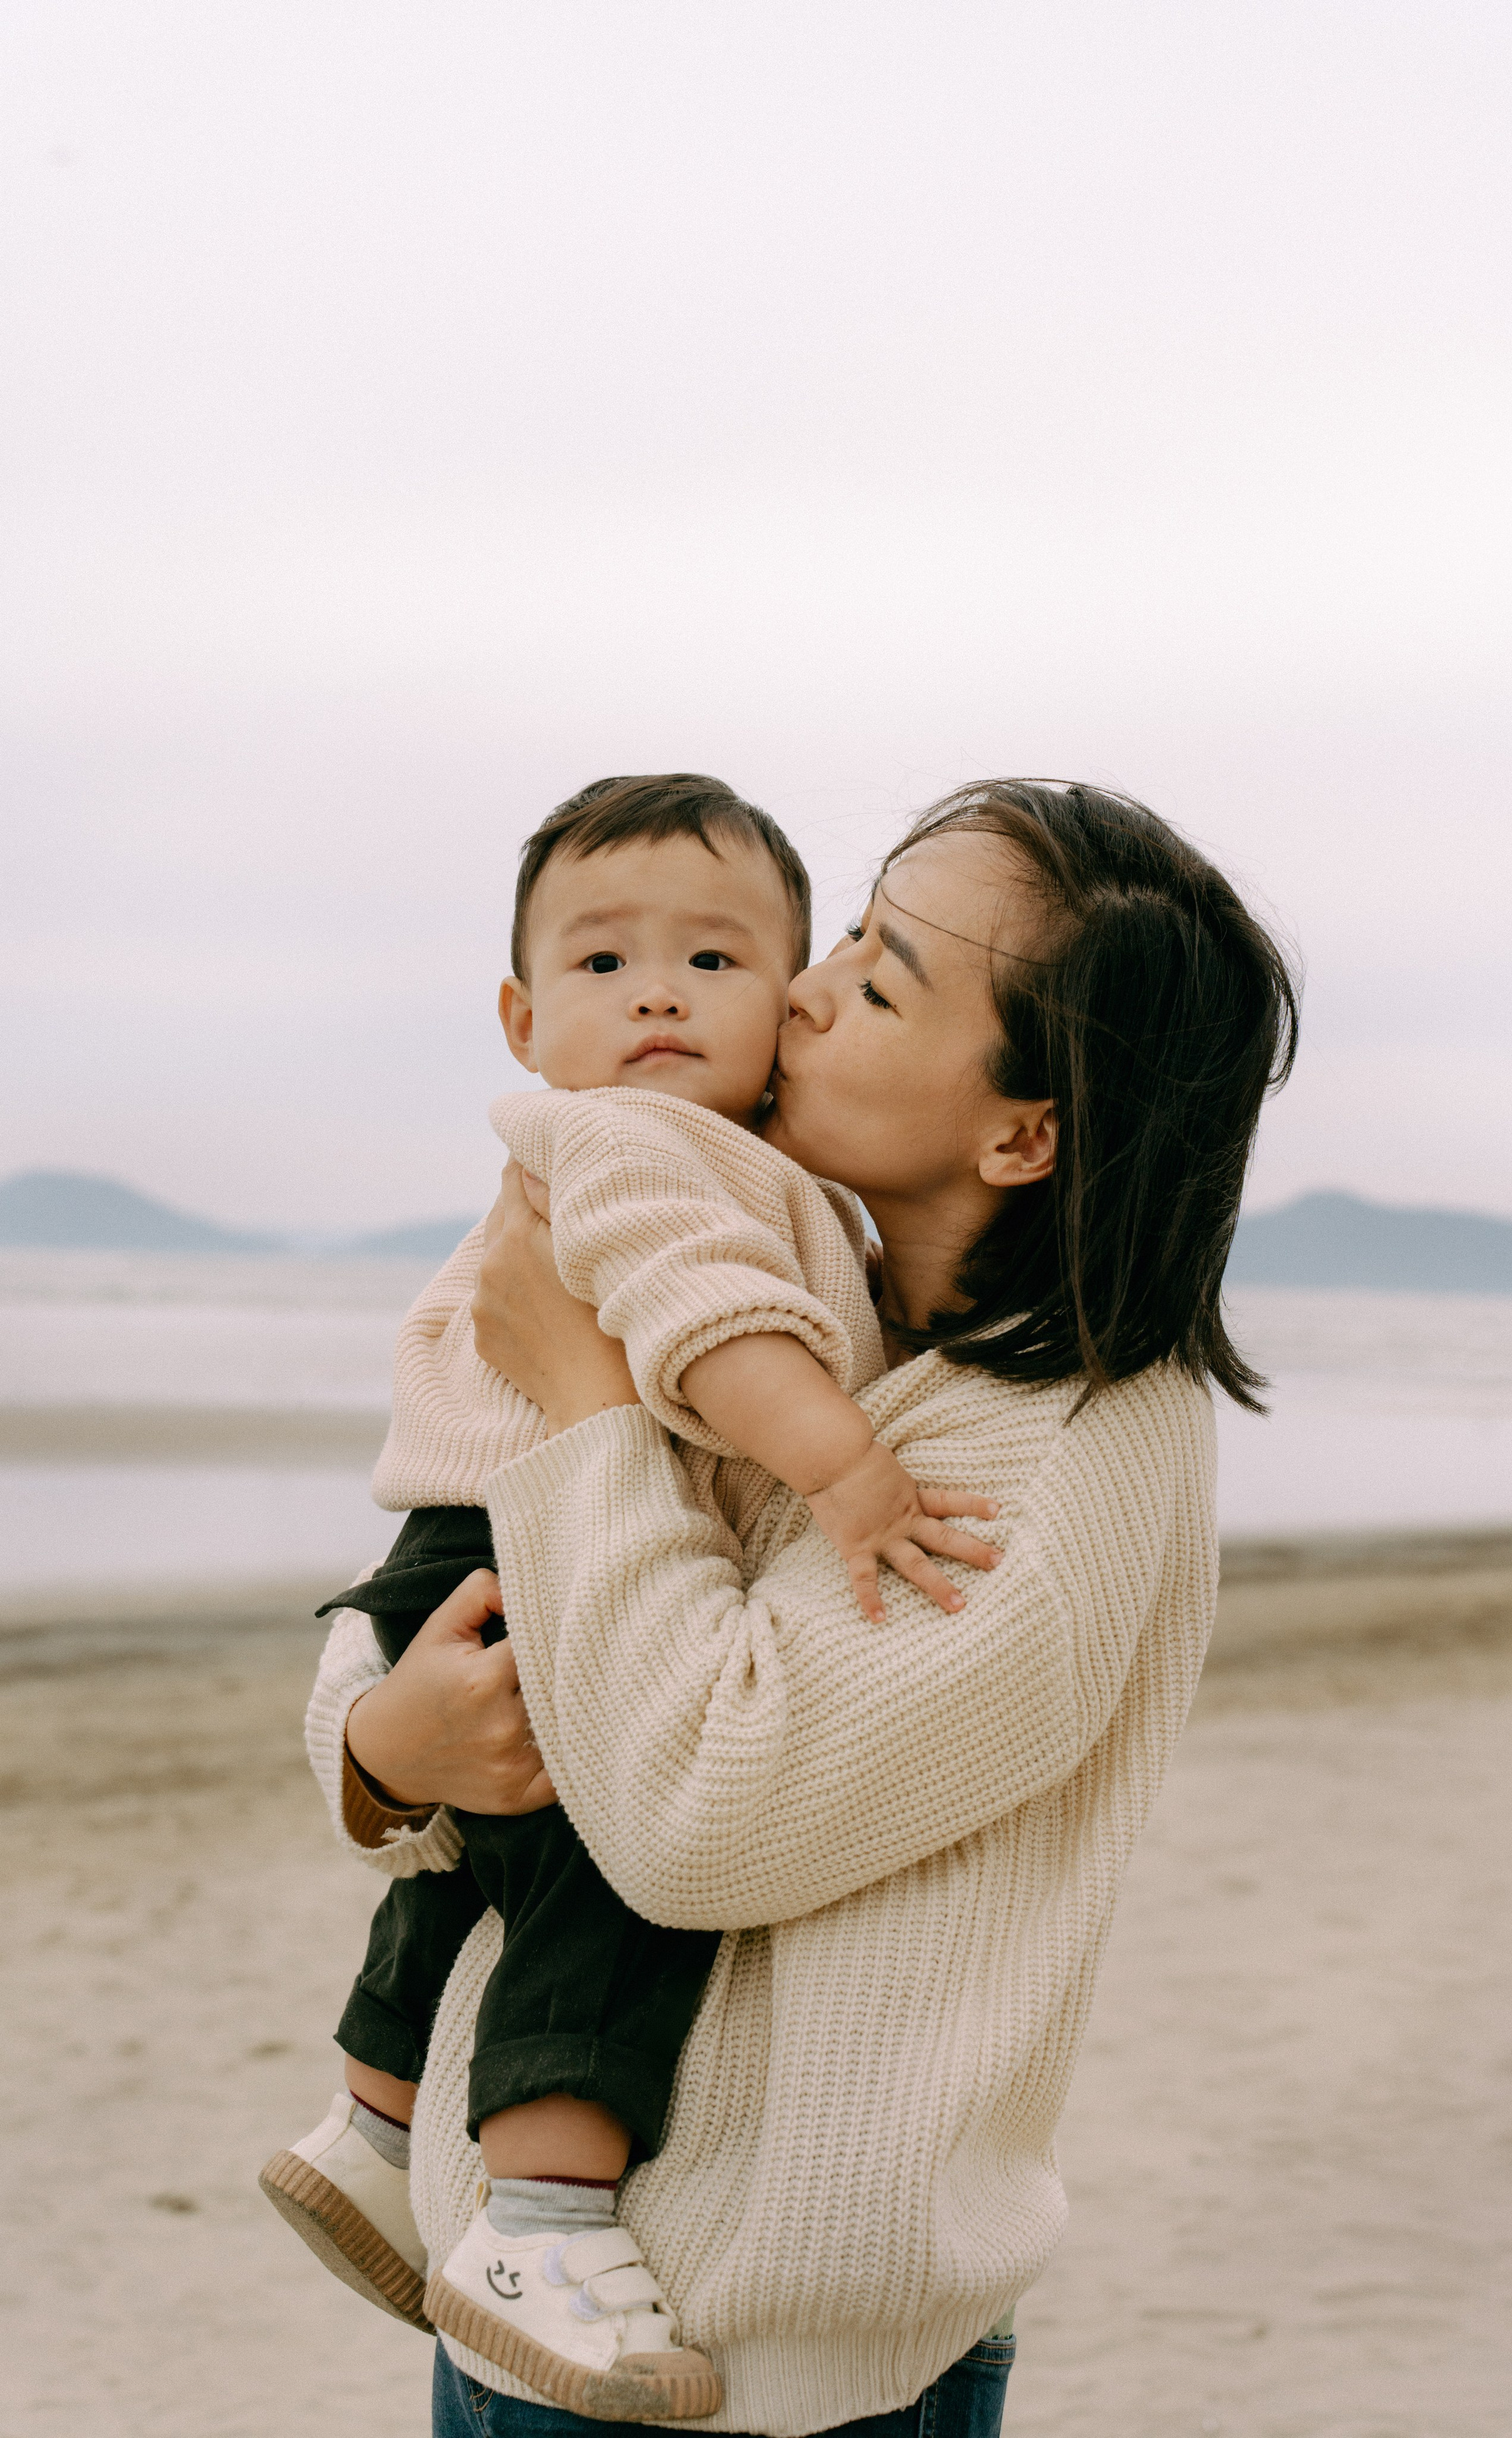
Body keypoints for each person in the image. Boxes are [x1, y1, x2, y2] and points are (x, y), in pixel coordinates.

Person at [308, 778, 1298, 2438]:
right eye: (847, 929)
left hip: (766, 2368)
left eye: (887, 975)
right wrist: (374, 1749)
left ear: (1024, 1131)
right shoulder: (806, 1325)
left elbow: (701, 1812)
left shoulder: (1069, 1445)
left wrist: (588, 1404)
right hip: (538, 2305)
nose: (809, 988)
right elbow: (441, 1570)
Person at [263, 775, 998, 2421]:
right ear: (525, 1020)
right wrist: (840, 1465)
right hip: (518, 1552)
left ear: (795, 1005)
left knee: (489, 1865)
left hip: (456, 1545)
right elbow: (693, 1326)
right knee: (604, 1861)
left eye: (714, 961)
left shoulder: (641, 1149)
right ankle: (541, 2221)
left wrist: (383, 1739)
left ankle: (381, 2127)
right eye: (603, 966)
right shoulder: (651, 1149)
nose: (658, 992)